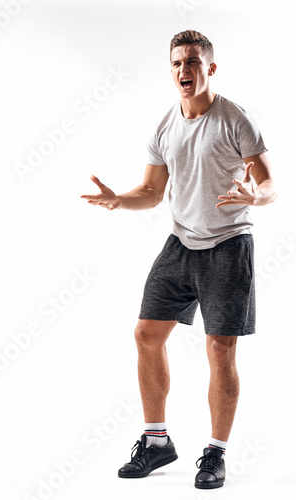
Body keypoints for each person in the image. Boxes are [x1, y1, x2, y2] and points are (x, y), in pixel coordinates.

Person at [80, 29, 277, 489]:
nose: (184, 71)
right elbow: (151, 192)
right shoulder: (165, 126)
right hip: (181, 244)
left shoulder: (235, 121)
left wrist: (255, 194)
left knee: (220, 349)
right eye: (176, 64)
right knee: (147, 335)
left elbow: (270, 185)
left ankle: (215, 453)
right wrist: (118, 200)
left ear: (210, 68)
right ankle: (156, 443)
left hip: (229, 244)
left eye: (192, 62)